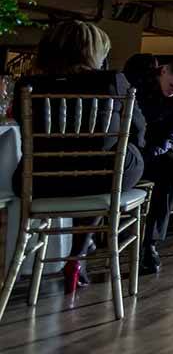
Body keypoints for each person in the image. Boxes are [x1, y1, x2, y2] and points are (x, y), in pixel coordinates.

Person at [13, 21, 145, 294]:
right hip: (99, 179)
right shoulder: (112, 80)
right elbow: (137, 128)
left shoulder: (27, 85)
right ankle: (78, 254)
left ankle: (70, 254)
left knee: (92, 165)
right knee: (121, 157)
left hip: (40, 181)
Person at [123, 53, 173, 274]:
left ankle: (150, 243)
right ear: (164, 70)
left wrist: (148, 154)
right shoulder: (139, 79)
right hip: (127, 145)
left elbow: (172, 137)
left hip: (155, 150)